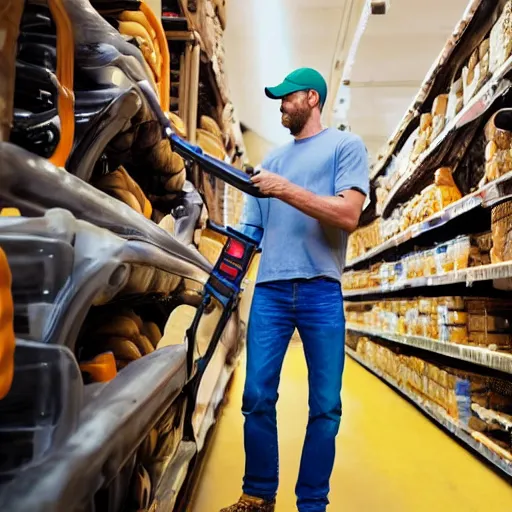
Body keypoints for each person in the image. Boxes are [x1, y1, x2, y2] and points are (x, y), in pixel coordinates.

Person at [221, 68, 369, 512]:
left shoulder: (345, 146)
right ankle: (258, 494)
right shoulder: (272, 163)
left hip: (321, 290)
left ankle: (312, 504)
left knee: (326, 406)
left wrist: (283, 189)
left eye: (287, 97)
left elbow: (347, 214)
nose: (281, 105)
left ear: (312, 97)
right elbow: (249, 232)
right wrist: (218, 279)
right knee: (256, 396)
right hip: (270, 290)